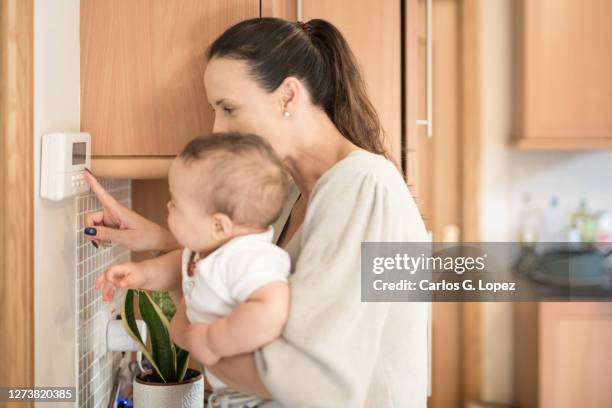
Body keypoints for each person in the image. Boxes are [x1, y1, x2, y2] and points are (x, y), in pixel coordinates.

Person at [87, 17, 428, 407]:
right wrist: (157, 238)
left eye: (229, 108)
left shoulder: (363, 186)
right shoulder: (289, 194)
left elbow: (311, 380)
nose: (217, 128)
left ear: (287, 97)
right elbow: (251, 269)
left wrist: (190, 333)